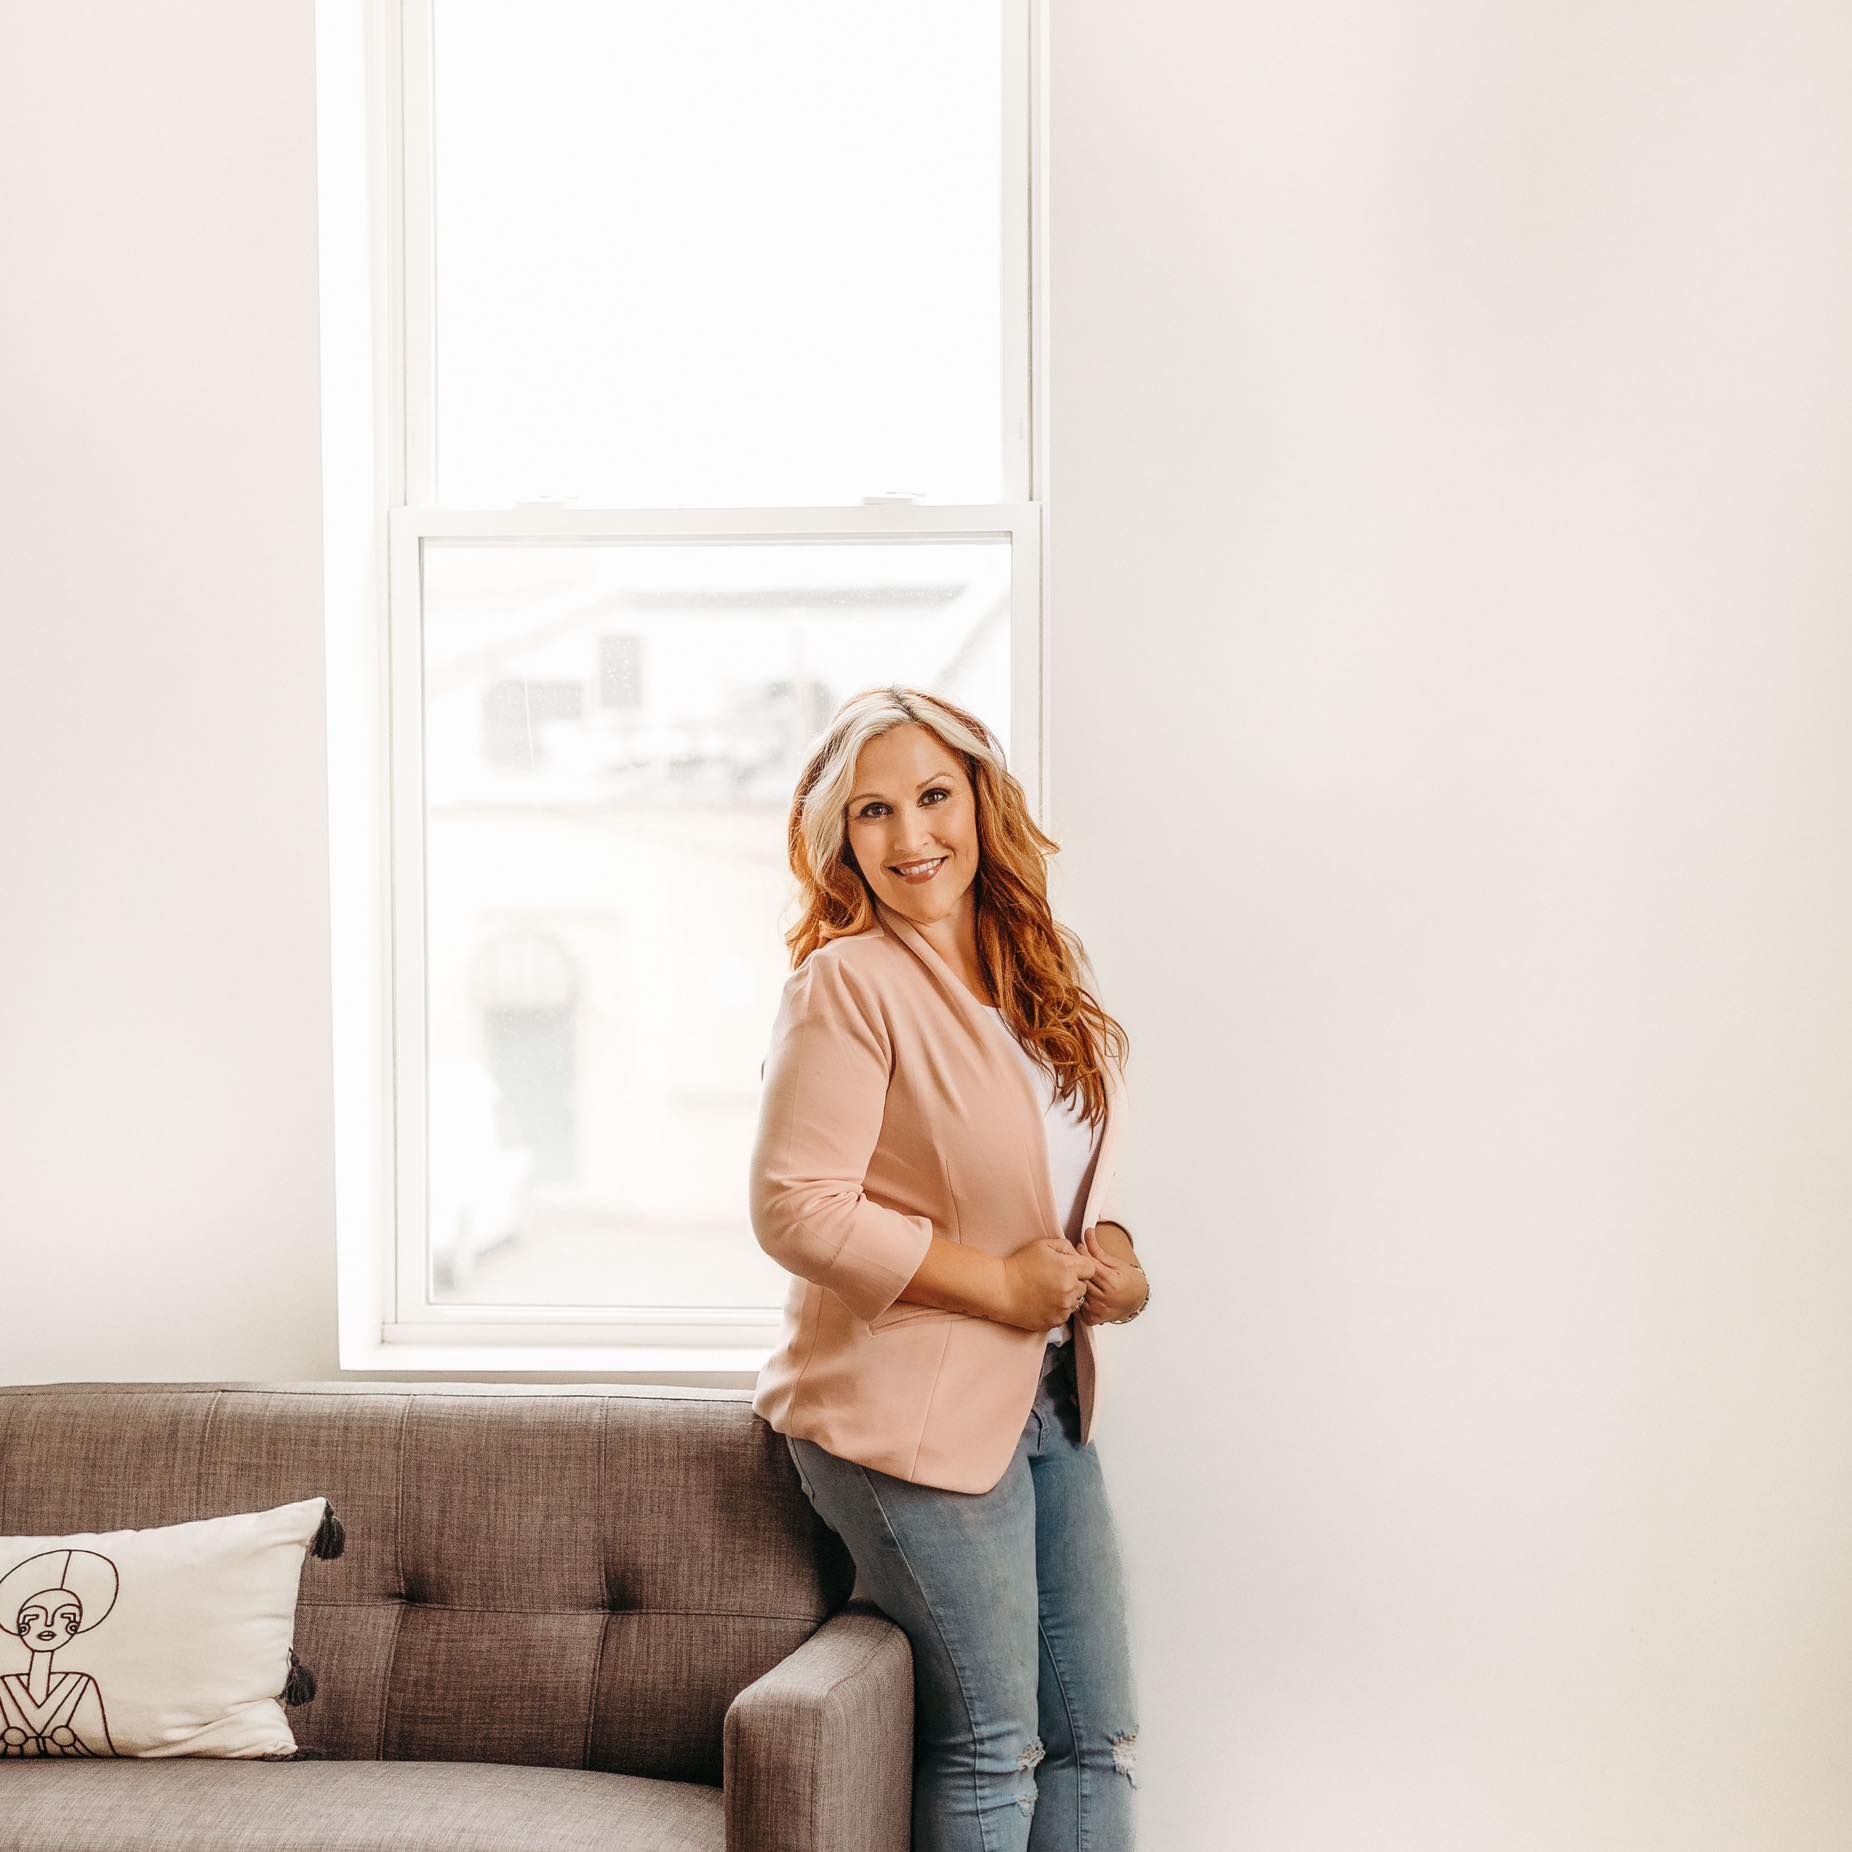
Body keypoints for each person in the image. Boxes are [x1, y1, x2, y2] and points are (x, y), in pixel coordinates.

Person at [748, 685, 1150, 1850]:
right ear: (838, 840)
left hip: (1046, 1398)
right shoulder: (847, 984)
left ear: (981, 797)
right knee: (994, 1747)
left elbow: (1057, 1171)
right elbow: (794, 1207)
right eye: (873, 812)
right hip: (899, 1412)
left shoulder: (1036, 977)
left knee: (1095, 1738)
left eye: (933, 795)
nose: (912, 836)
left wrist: (1109, 1255)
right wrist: (999, 1285)